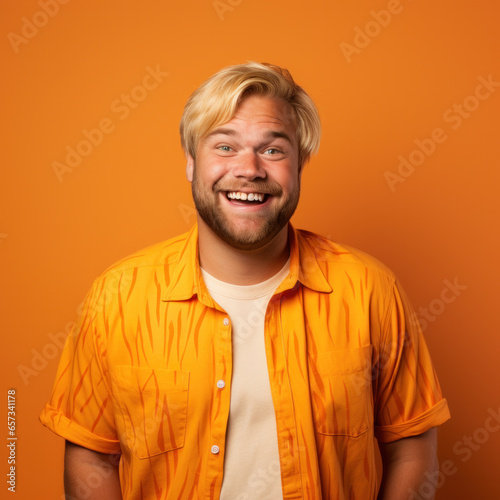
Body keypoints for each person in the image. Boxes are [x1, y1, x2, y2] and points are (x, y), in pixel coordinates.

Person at [40, 61, 451, 500]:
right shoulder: (117, 296)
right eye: (225, 146)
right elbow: (91, 455)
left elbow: (410, 445)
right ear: (191, 162)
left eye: (273, 150)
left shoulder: (369, 289)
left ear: (299, 163)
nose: (250, 169)